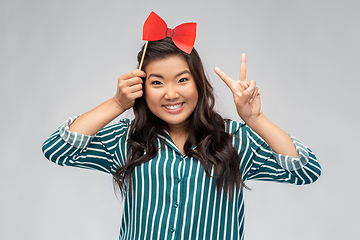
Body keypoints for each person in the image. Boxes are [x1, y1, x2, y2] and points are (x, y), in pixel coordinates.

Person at [42, 37, 322, 239]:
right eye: (157, 82)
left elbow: (306, 170)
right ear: (141, 88)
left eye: (182, 79)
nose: (171, 93)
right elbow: (57, 149)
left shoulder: (234, 139)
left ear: (199, 83)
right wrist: (117, 104)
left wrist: (255, 120)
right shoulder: (127, 141)